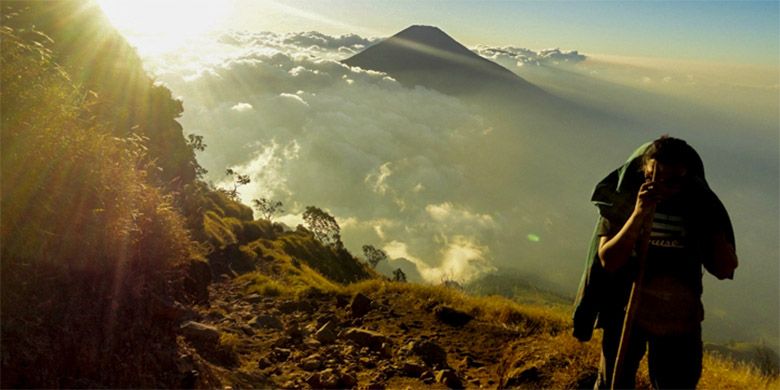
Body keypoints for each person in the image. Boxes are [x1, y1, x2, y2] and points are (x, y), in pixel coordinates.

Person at [572, 136, 738, 389]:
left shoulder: (699, 207)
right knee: (613, 383)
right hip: (625, 307)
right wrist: (639, 214)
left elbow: (724, 268)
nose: (661, 187)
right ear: (643, 172)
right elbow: (609, 260)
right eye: (651, 177)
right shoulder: (626, 199)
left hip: (678, 317)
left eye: (673, 181)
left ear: (687, 179)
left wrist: (709, 222)